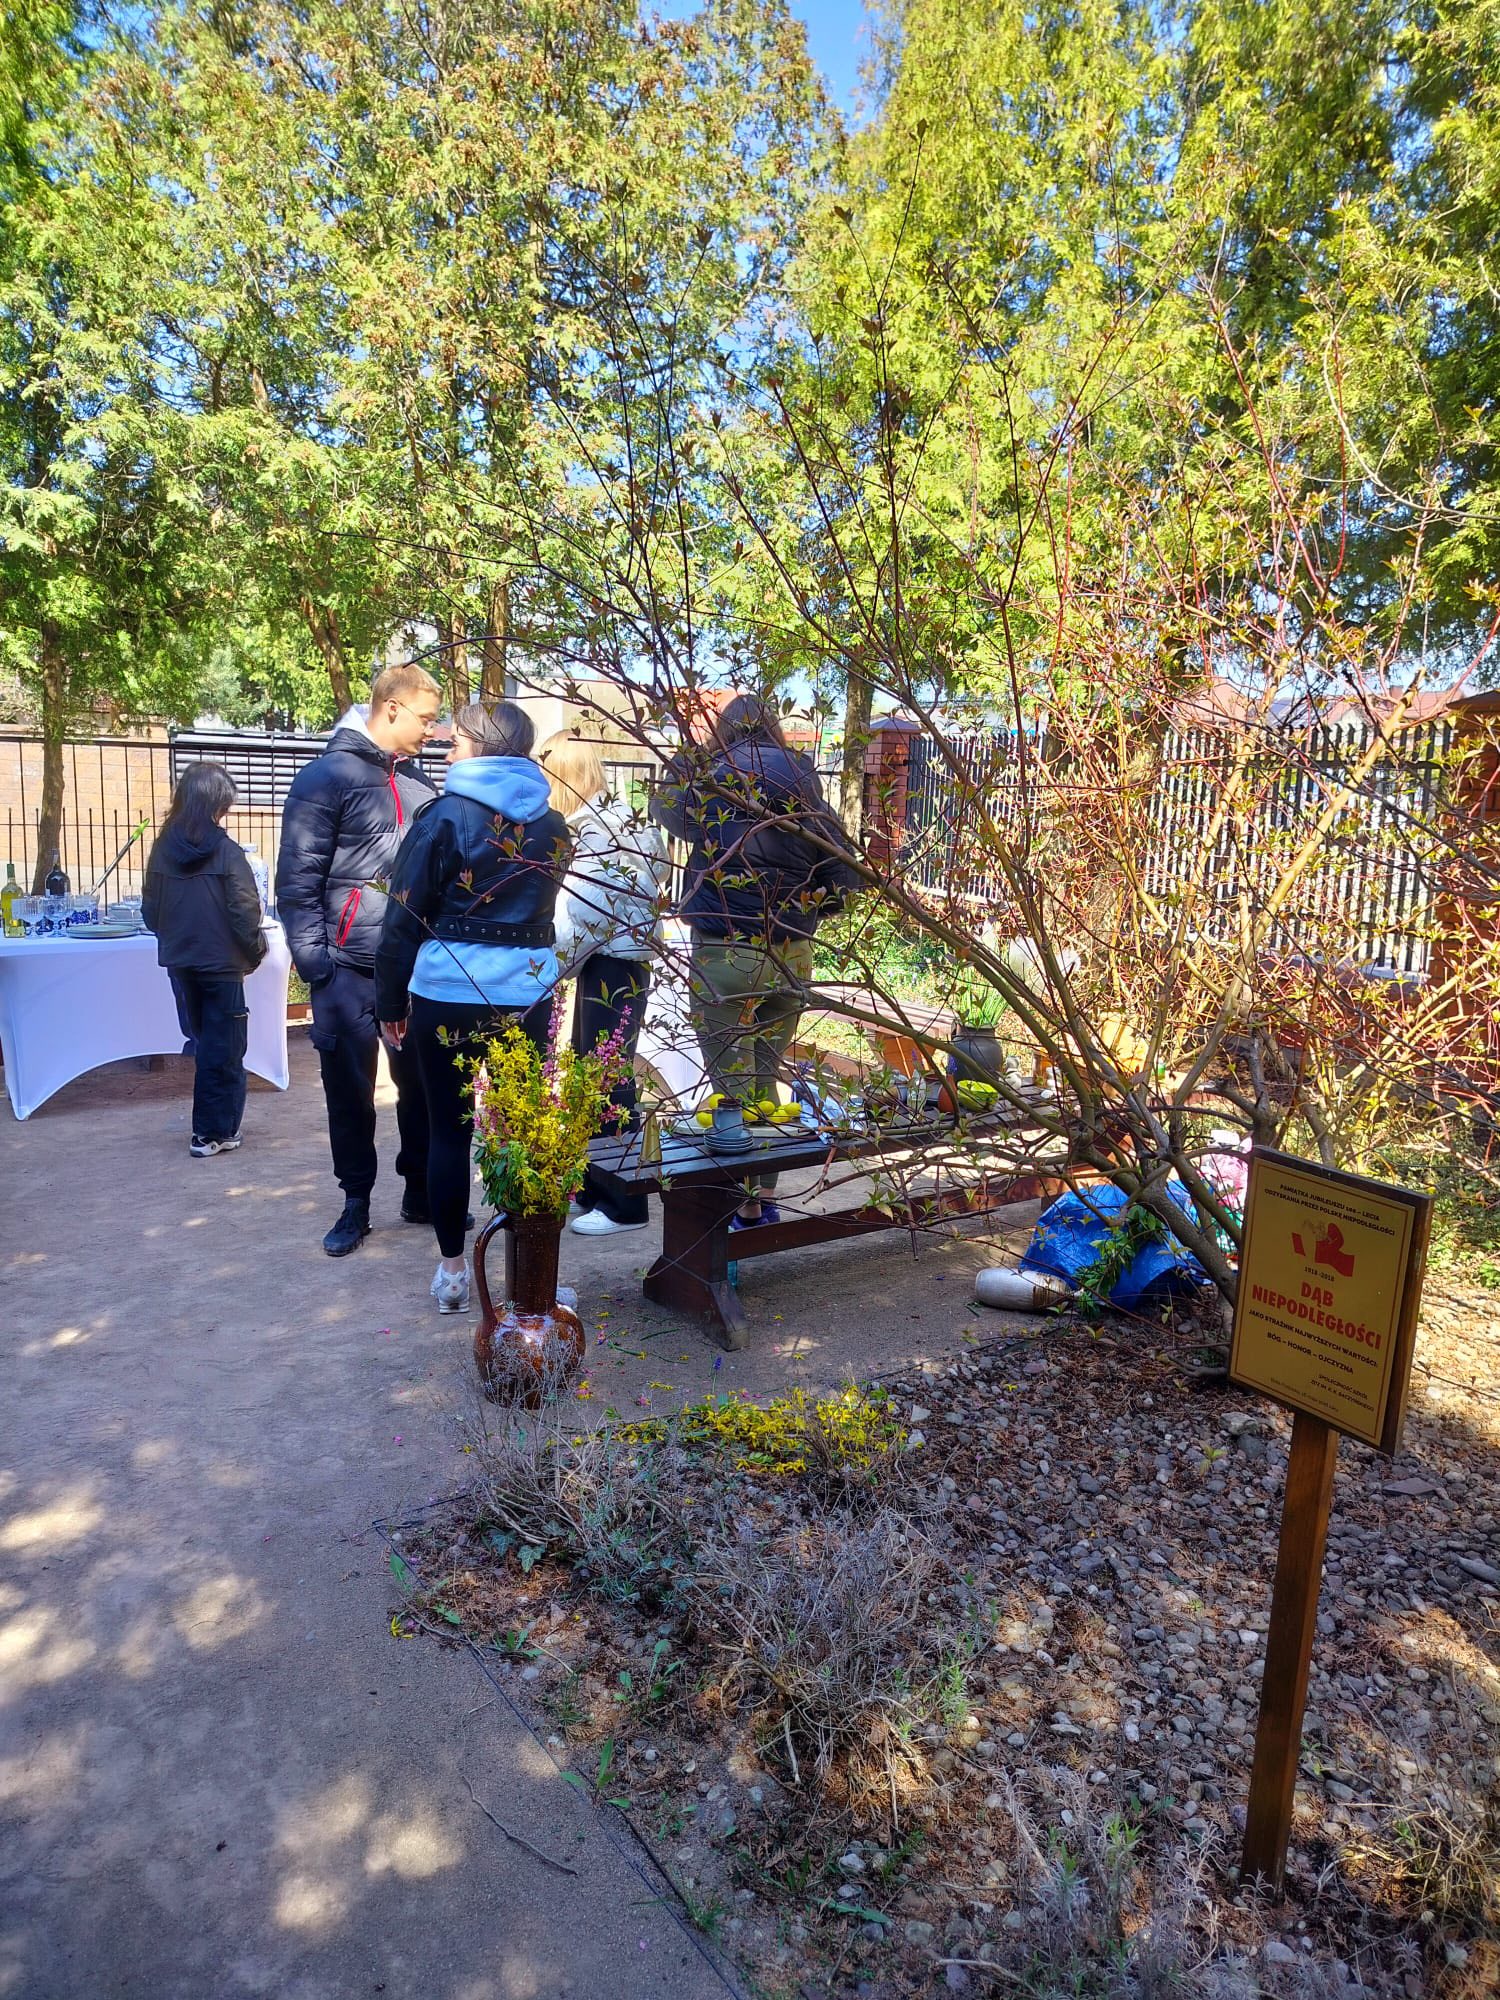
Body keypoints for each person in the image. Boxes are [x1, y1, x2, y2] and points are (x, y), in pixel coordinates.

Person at [375, 700, 570, 1314]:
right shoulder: (553, 823)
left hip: (449, 993)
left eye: (457, 739)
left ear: (481, 745)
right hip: (527, 995)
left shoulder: (443, 817)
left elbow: (402, 917)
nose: (447, 747)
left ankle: (454, 1272)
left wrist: (389, 1000)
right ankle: (527, 1274)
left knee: (449, 1131)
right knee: (523, 1132)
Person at [650, 693, 859, 1228]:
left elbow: (666, 811)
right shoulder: (804, 780)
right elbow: (841, 860)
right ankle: (760, 1202)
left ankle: (736, 1211)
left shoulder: (711, 779)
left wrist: (691, 751)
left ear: (722, 732)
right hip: (792, 951)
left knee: (731, 1091)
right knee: (766, 1077)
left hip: (727, 949)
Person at [276, 663, 442, 1255]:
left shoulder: (420, 784)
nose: (432, 730)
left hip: (413, 970)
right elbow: (296, 882)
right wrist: (317, 966)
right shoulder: (326, 778)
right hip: (345, 971)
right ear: (391, 708)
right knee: (349, 1093)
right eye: (426, 718)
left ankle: (419, 1192)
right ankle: (356, 1203)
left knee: (421, 1089)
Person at [536, 731, 671, 1237]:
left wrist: (547, 972)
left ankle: (624, 1205)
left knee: (606, 1079)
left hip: (611, 962)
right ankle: (595, 1187)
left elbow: (586, 915)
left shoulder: (596, 831)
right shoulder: (623, 819)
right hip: (620, 960)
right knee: (597, 1072)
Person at [142, 761, 267, 1158]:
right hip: (222, 965)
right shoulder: (229, 853)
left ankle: (213, 1129)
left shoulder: (162, 849)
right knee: (225, 1048)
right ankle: (214, 1132)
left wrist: (175, 938)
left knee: (204, 1042)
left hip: (180, 962)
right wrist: (256, 951)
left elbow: (150, 910)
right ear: (217, 805)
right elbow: (245, 912)